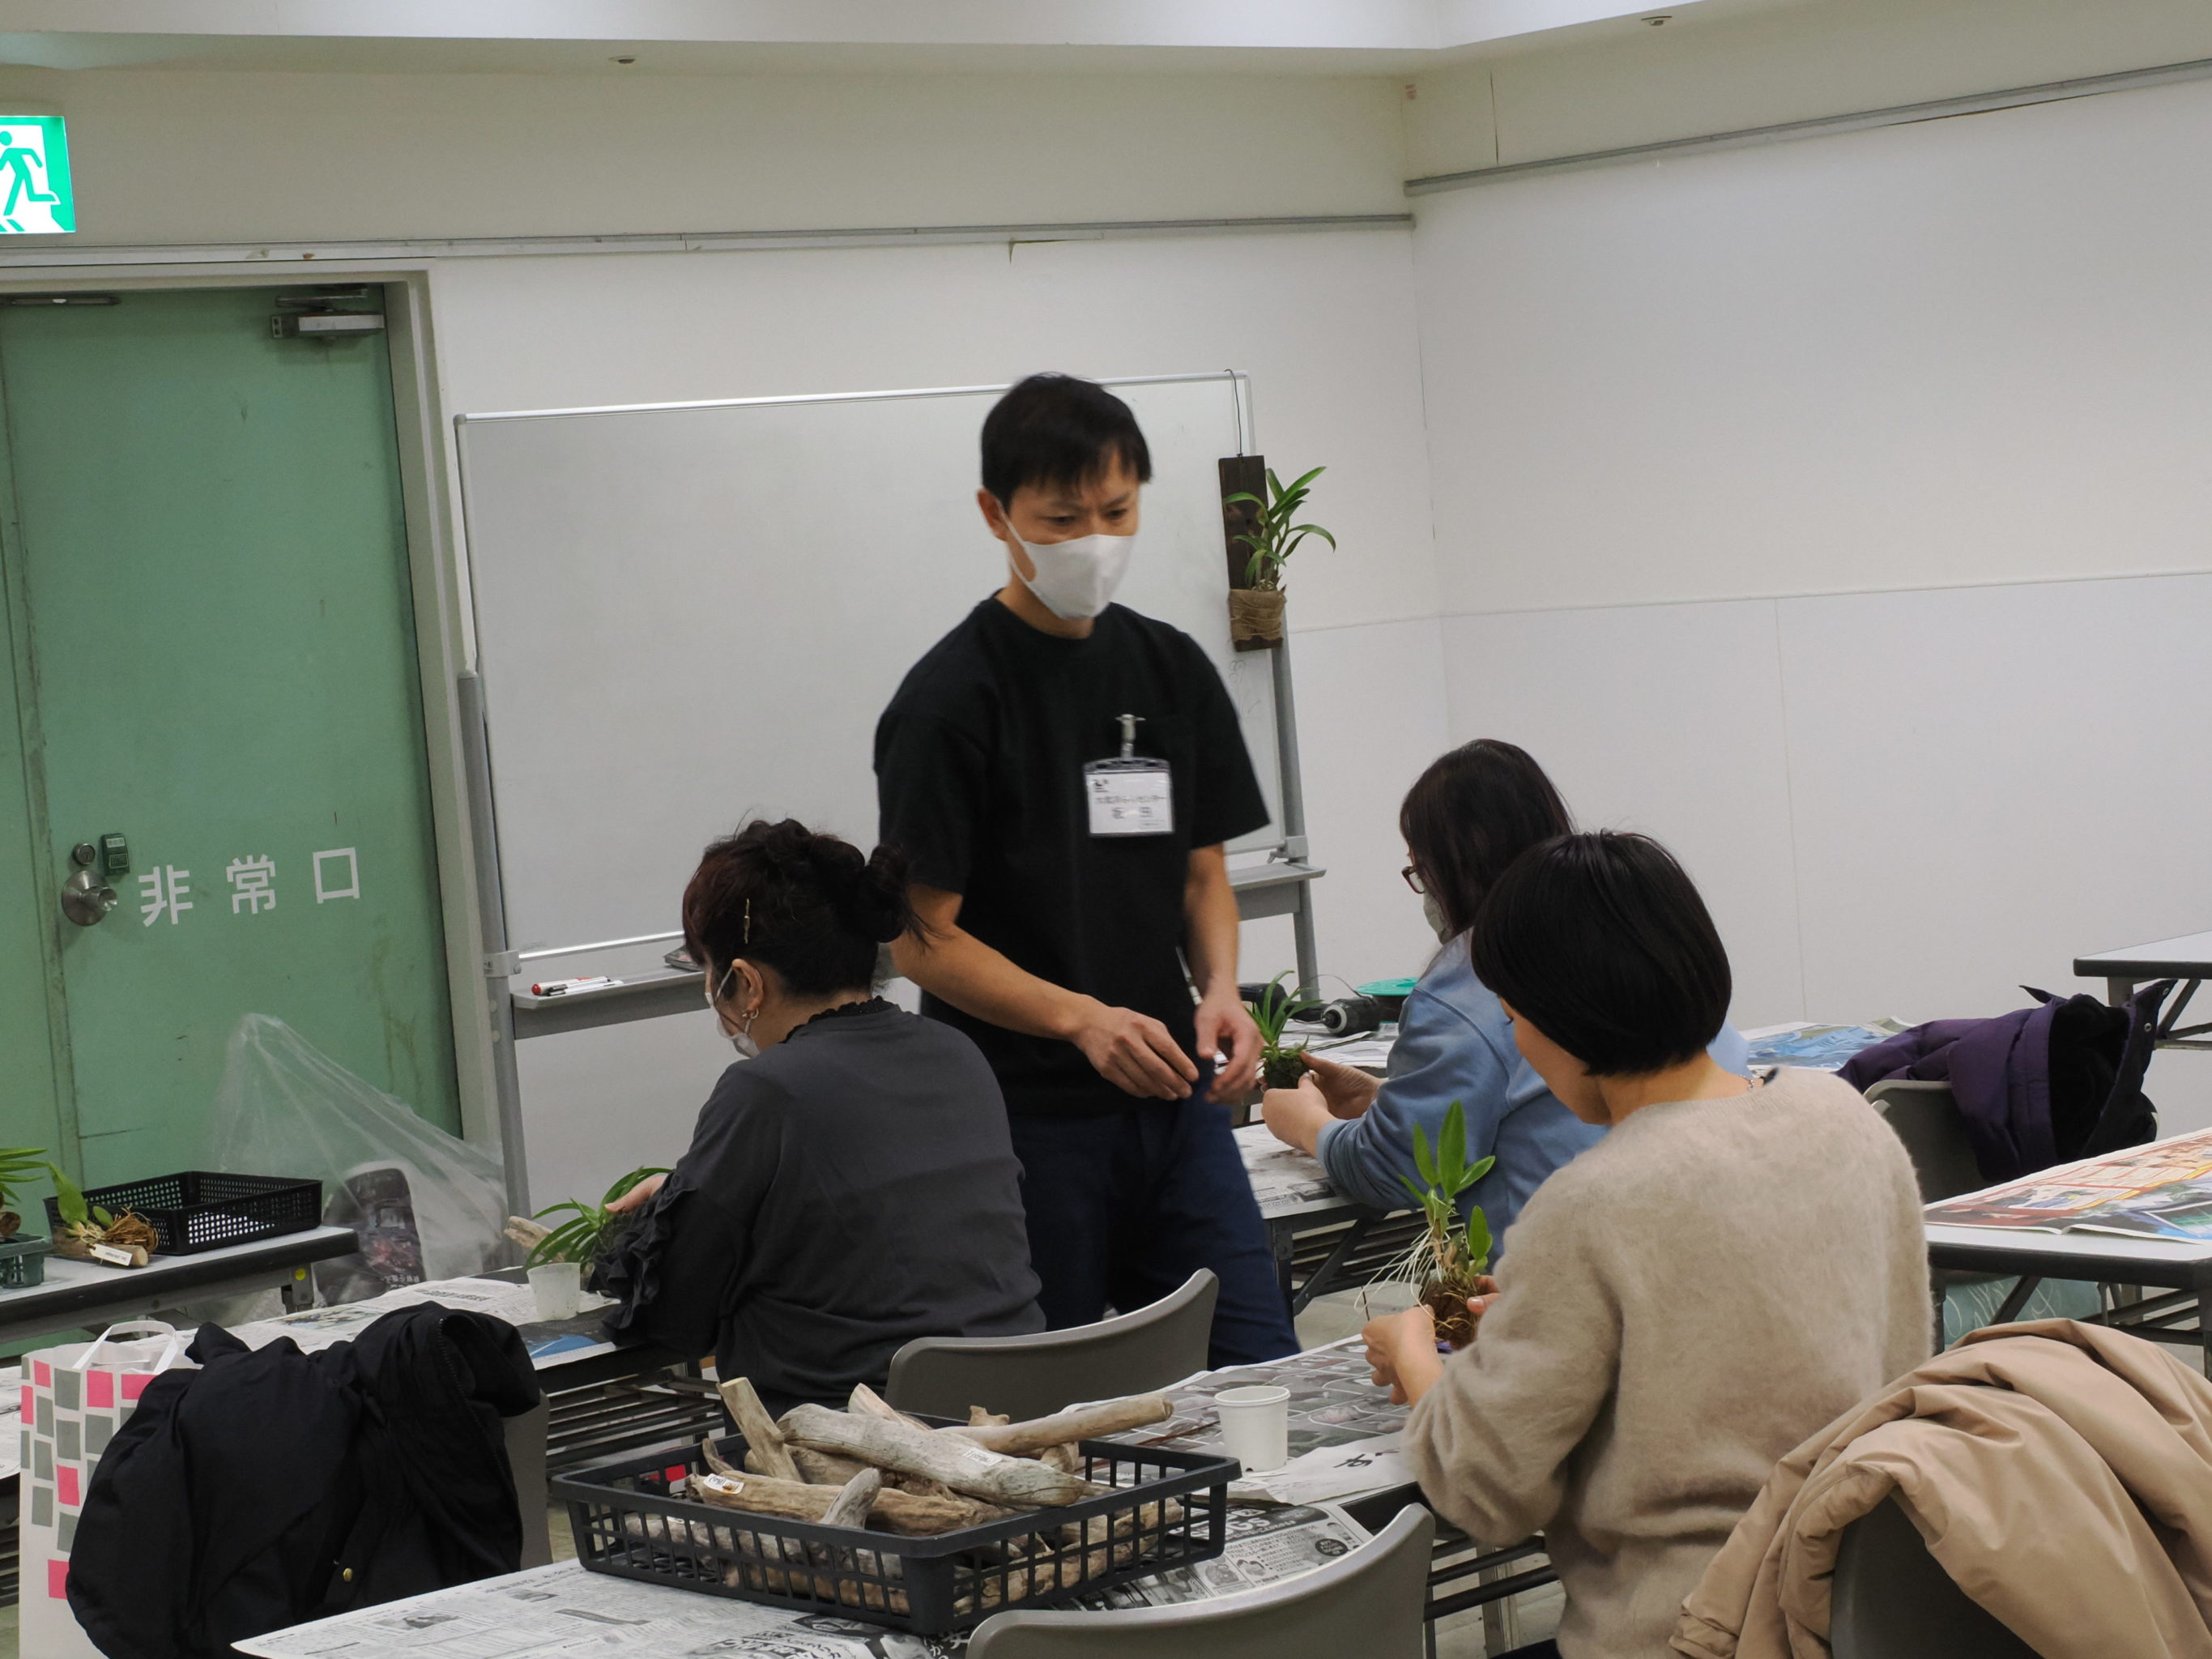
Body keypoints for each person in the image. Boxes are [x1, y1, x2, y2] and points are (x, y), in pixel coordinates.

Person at [1362, 832, 1929, 1659]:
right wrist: (1537, 1319)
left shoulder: (1590, 1203)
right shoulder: (1845, 1116)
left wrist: (1414, 1352)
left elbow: (1485, 1492)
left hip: (1690, 1628)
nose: (1518, 1046)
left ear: (1562, 1017)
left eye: (1514, 1019)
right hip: (1866, 1611)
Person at [875, 372, 1296, 1366]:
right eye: (1062, 519)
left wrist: (1221, 990)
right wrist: (1080, 1019)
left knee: (1254, 1359)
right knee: (1053, 1390)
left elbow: (1201, 873)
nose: (1094, 539)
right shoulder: (950, 700)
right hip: (1020, 1119)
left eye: (1117, 510)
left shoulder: (1170, 667)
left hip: (1171, 1100)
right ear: (997, 514)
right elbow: (921, 938)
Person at [593, 819, 1044, 1415]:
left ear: (745, 982)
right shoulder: (956, 1053)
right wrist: (687, 1192)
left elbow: (677, 1318)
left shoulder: (766, 1090)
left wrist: (671, 1216)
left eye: (709, 969)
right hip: (1009, 1417)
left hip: (845, 1441)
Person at [1260, 740, 1749, 1249]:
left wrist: (1309, 1127)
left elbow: (1400, 1168)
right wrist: (1388, 1098)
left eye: (1421, 869)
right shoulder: (1626, 925)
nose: (1516, 1034)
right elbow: (1527, 1108)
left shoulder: (1473, 984)